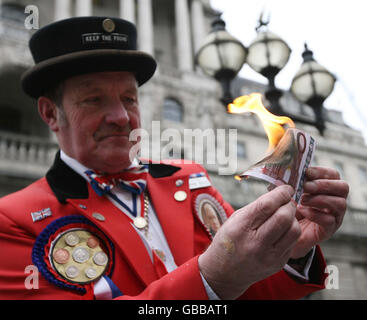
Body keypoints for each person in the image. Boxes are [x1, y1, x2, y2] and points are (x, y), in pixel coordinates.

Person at [0, 17, 349, 300]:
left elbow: (254, 292)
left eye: (129, 98)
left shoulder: (190, 180)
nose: (121, 116)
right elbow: (222, 283)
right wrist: (211, 278)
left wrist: (291, 252)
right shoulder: (12, 220)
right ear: (50, 113)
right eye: (94, 100)